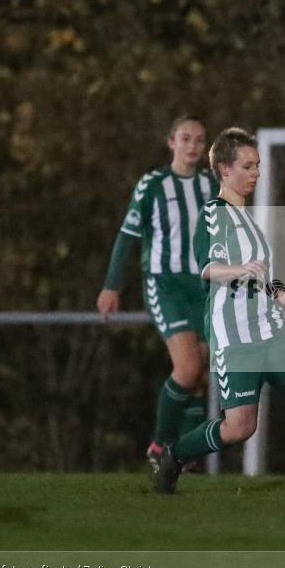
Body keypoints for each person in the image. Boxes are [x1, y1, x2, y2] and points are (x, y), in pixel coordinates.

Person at [153, 127, 285, 496]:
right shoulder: (214, 213)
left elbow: (257, 277)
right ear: (224, 169)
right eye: (248, 166)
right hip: (235, 338)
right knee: (239, 428)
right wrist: (238, 270)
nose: (256, 173)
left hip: (272, 329)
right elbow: (207, 268)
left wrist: (281, 294)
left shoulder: (250, 222)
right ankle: (175, 454)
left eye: (257, 165)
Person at [97, 115, 215, 472]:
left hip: (203, 286)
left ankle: (188, 455)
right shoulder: (152, 185)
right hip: (165, 284)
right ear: (171, 143)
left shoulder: (211, 184)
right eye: (185, 138)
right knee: (188, 366)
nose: (193, 146)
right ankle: (160, 444)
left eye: (199, 140)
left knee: (200, 372)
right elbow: (127, 235)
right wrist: (112, 285)